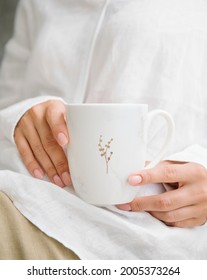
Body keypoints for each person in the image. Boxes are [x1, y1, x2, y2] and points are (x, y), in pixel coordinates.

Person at [0, 0, 207, 260]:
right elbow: (7, 101)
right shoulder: (36, 4)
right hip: (24, 191)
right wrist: (20, 116)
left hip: (133, 232)